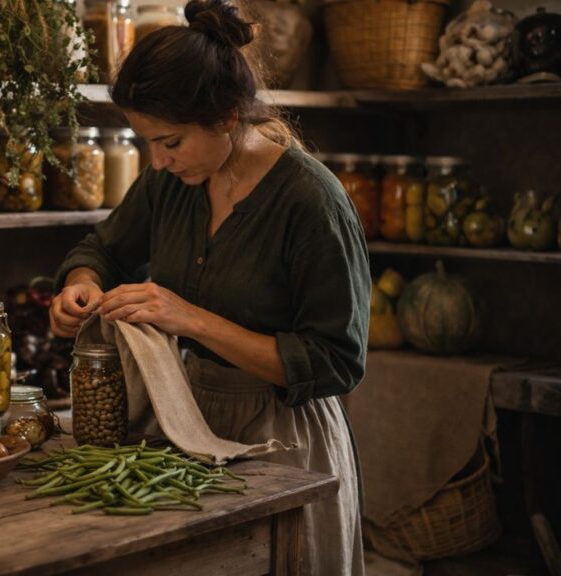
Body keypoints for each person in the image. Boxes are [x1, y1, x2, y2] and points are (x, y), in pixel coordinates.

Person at [50, 1, 369, 574]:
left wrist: (188, 318)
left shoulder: (311, 201)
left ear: (226, 117)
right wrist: (79, 286)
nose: (158, 159)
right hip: (184, 422)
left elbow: (335, 361)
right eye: (147, 141)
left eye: (169, 141)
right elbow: (101, 249)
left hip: (286, 442)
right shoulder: (171, 182)